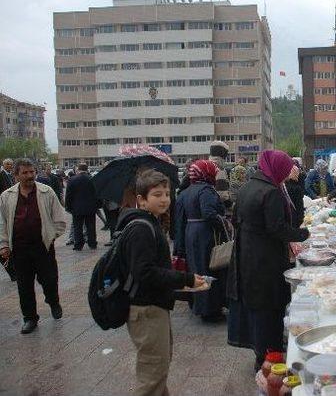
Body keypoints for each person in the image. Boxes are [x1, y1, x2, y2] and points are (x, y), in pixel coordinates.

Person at [117, 169, 205, 396]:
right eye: (157, 194)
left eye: (166, 193)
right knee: (152, 376)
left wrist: (182, 282)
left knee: (158, 371)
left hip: (155, 306)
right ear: (141, 200)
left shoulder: (150, 223)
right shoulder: (141, 229)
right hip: (146, 310)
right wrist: (185, 278)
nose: (164, 199)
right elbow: (144, 273)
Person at [227, 150, 310, 370]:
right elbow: (277, 229)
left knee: (257, 306)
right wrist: (302, 234)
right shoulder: (270, 192)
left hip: (247, 255)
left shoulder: (247, 187)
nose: (285, 175)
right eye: (284, 171)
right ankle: (269, 357)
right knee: (271, 306)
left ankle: (259, 352)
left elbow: (235, 220)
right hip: (266, 259)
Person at [0, 158, 66, 334]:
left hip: (43, 246)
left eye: (32, 172)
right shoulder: (6, 196)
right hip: (20, 249)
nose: (30, 176)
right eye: (25, 173)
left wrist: (51, 236)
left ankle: (53, 301)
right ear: (16, 176)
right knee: (24, 285)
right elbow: (2, 223)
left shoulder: (47, 192)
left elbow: (60, 219)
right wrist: (4, 245)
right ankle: (30, 318)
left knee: (49, 280)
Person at [175, 160, 227, 323]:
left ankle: (197, 303)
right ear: (207, 173)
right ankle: (209, 310)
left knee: (195, 267)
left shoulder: (186, 191)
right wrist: (224, 222)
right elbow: (209, 213)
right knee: (207, 268)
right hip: (204, 234)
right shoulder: (206, 190)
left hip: (191, 232)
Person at [65, 163, 99, 251]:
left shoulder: (72, 180)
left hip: (77, 207)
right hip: (91, 207)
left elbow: (68, 195)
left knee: (77, 227)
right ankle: (92, 243)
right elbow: (97, 193)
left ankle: (78, 244)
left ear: (78, 169)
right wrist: (98, 205)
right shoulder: (93, 179)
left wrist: (68, 206)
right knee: (91, 226)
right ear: (87, 169)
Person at [209, 141, 233, 214]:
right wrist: (231, 206)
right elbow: (222, 194)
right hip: (218, 209)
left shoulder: (207, 165)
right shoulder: (219, 169)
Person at [285, 162, 306, 228]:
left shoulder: (283, 186)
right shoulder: (296, 188)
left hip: (285, 220)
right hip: (294, 220)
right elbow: (299, 207)